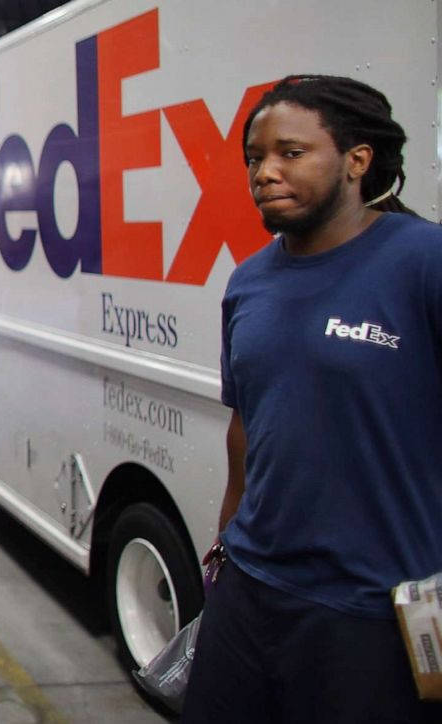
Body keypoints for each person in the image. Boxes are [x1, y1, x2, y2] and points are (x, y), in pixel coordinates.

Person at [184, 75, 442, 722]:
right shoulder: (250, 282)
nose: (265, 173)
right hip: (249, 592)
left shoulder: (423, 262)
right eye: (254, 158)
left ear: (357, 160)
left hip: (370, 611)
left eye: (290, 153)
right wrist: (224, 551)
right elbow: (247, 428)